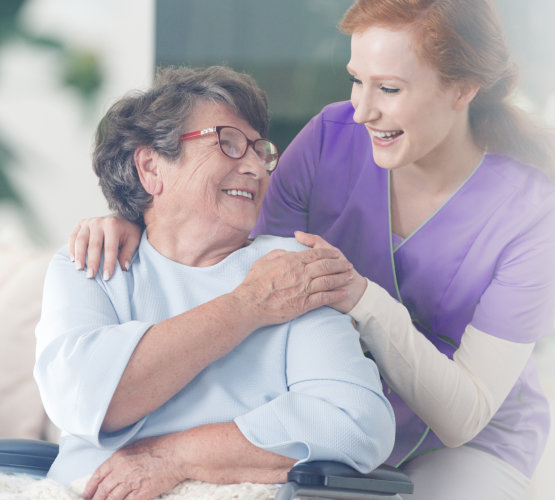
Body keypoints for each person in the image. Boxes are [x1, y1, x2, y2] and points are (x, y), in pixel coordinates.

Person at [64, 1, 555, 498]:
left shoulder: (531, 212)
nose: (362, 109)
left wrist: (359, 297)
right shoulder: (332, 138)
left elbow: (464, 416)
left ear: (462, 89)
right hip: (327, 418)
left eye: (389, 88)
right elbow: (236, 254)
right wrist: (135, 217)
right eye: (357, 79)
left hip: (464, 441)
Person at [35, 65, 396, 500]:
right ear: (151, 167)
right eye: (228, 143)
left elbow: (356, 422)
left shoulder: (290, 270)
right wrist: (247, 306)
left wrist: (176, 457)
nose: (256, 169)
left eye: (260, 151)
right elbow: (85, 397)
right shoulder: (93, 262)